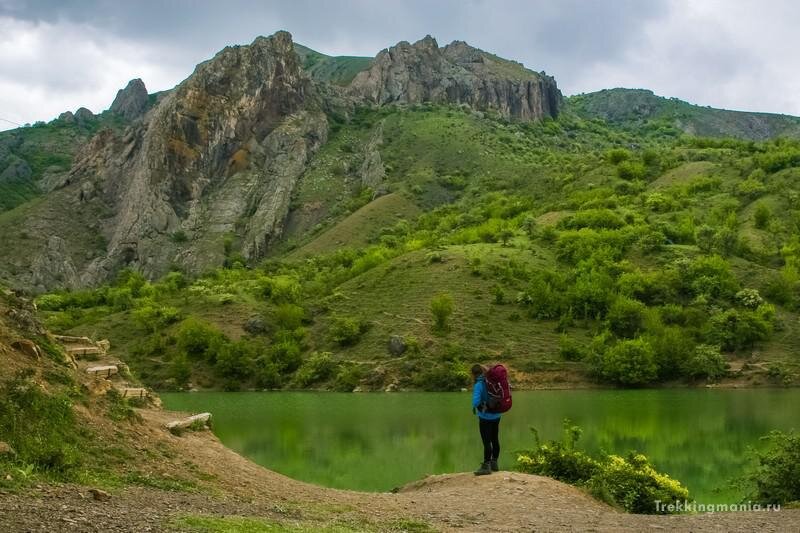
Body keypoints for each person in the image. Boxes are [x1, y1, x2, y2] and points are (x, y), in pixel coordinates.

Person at [471, 364, 501, 475]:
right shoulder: (493, 381)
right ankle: (495, 463)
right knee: (495, 439)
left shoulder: (479, 384)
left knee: (486, 441)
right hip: (497, 415)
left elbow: (475, 402)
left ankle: (486, 466)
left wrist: (477, 407)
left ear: (474, 374)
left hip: (485, 417)